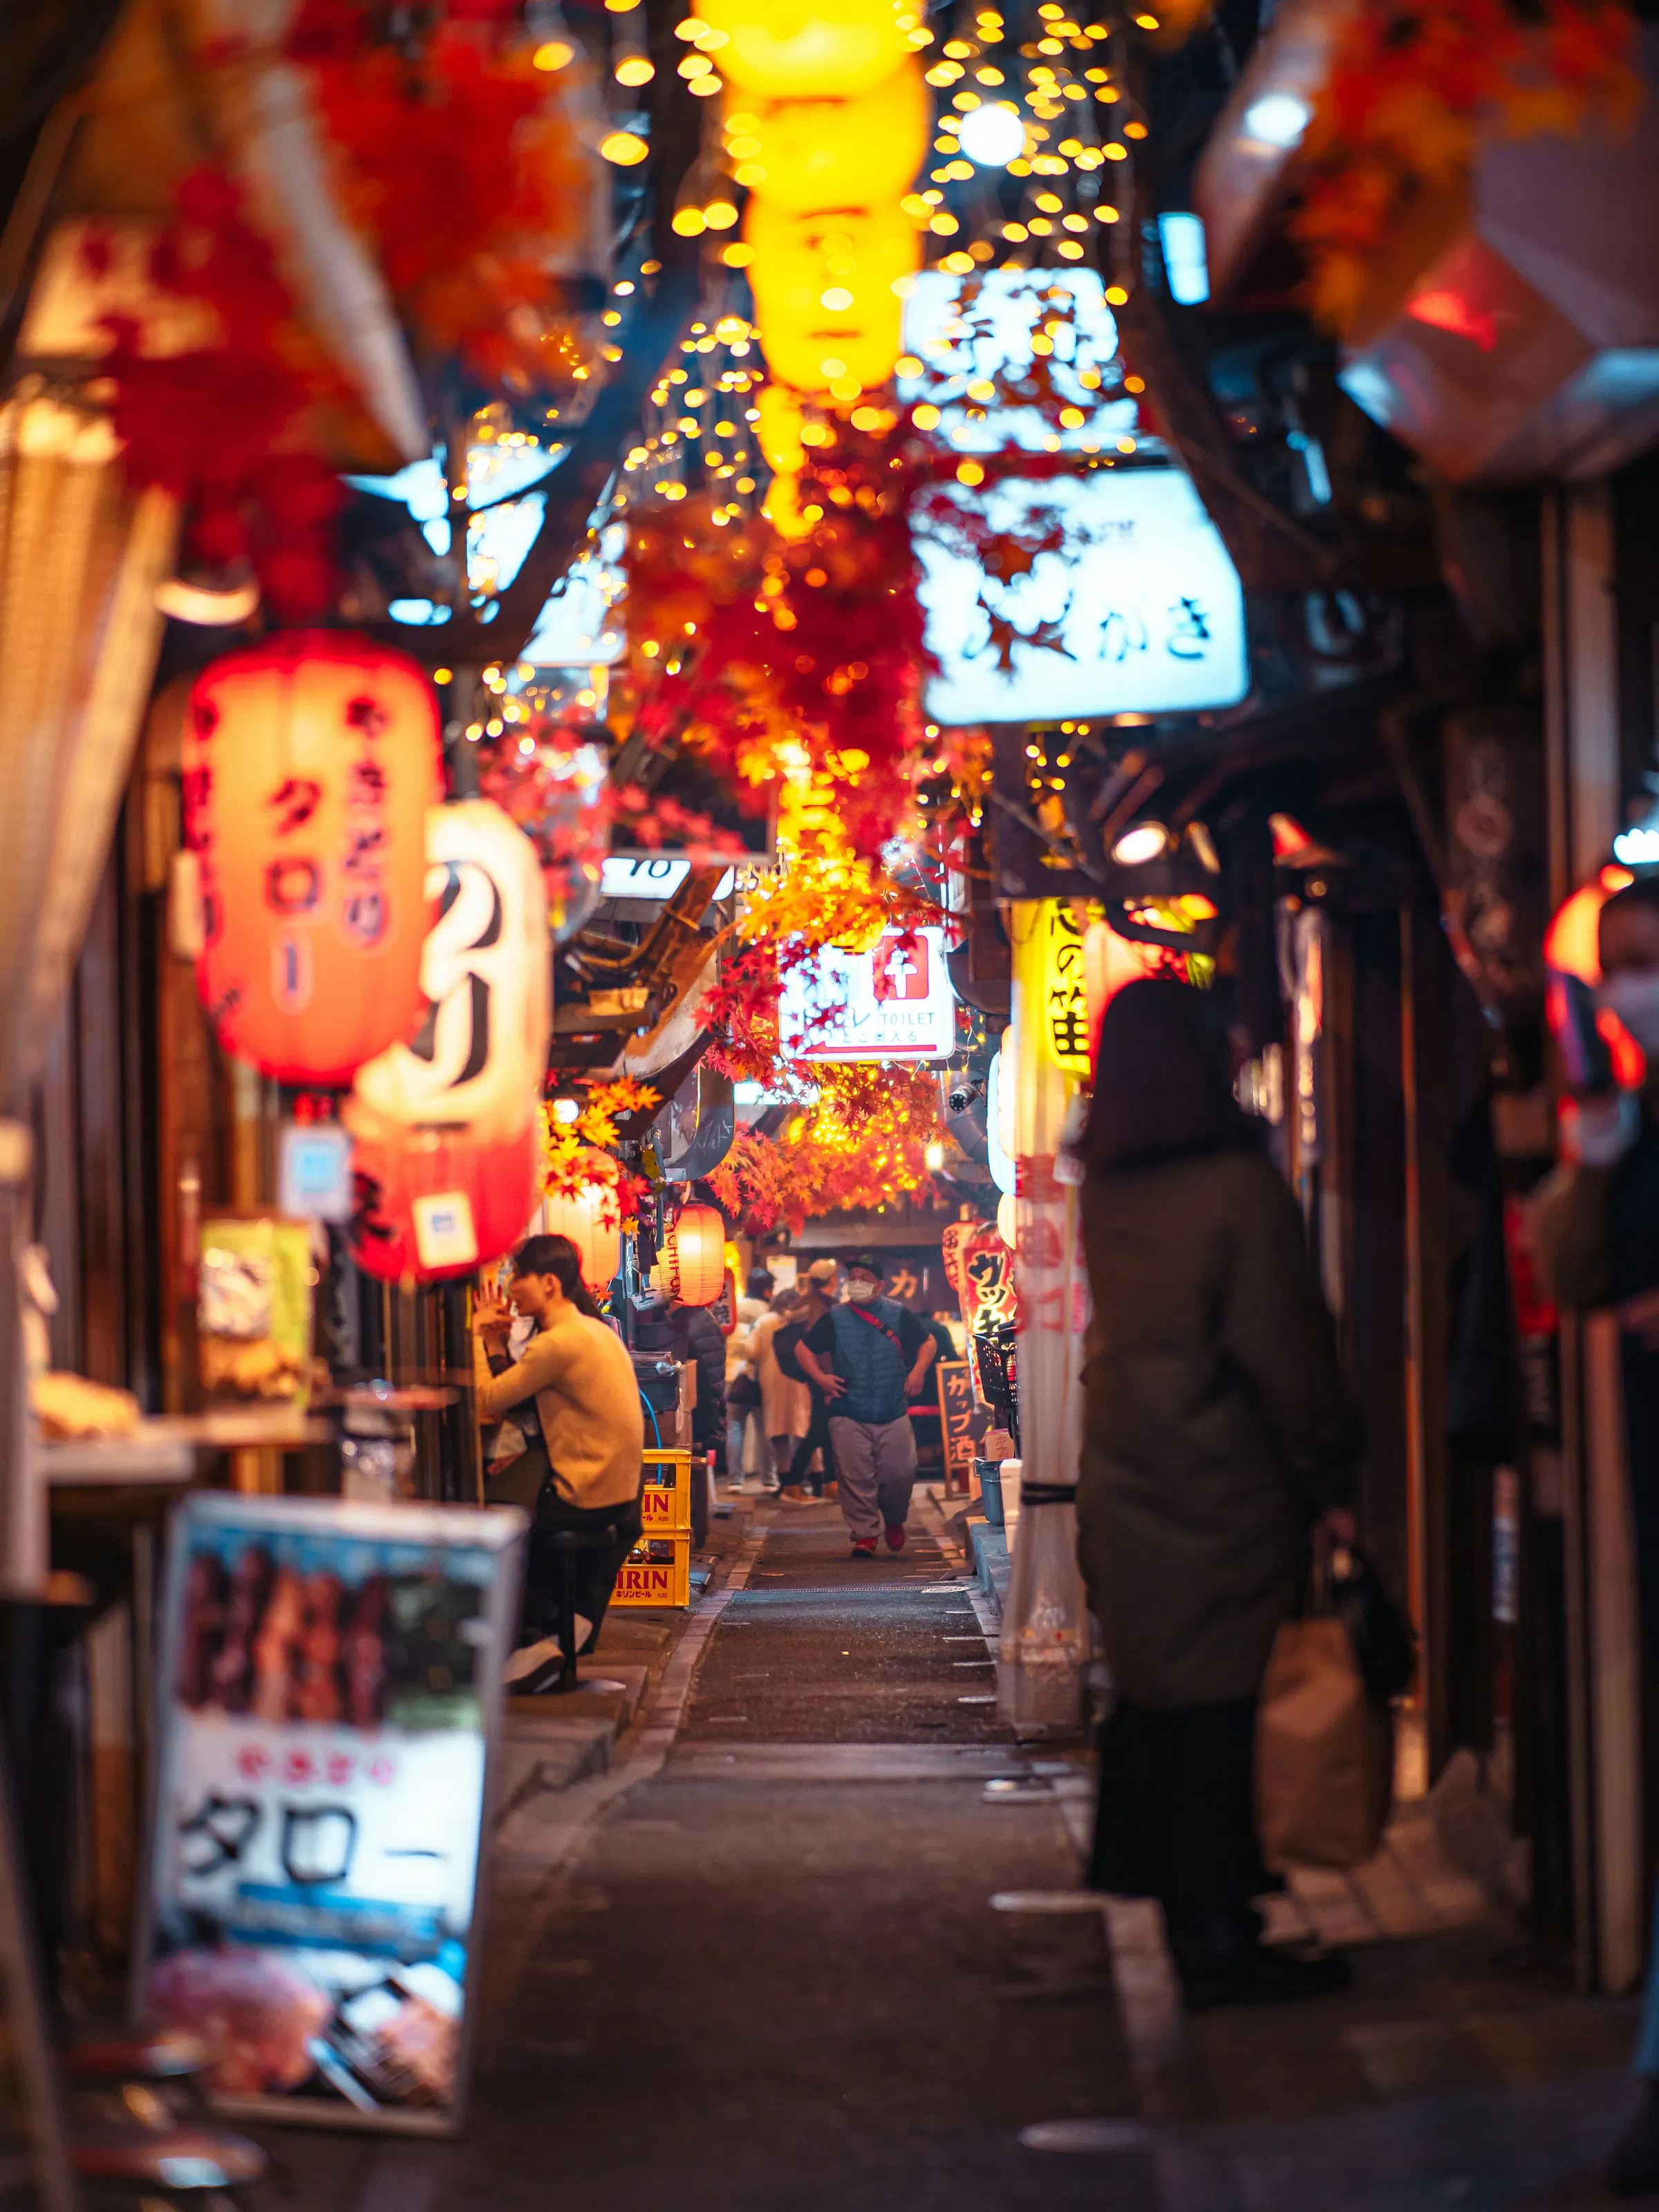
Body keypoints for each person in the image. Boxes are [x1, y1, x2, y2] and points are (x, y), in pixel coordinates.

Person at [1075, 977, 1359, 2011]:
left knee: (1161, 1702)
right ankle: (1219, 1927)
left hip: (1130, 1479)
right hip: (1225, 1484)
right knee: (1223, 1711)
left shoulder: (1109, 1188)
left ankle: (1191, 1918)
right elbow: (1284, 1348)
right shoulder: (1238, 1191)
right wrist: (1330, 1474)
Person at [1533, 875, 1659, 2193]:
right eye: (1623, 964)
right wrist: (1594, 1130)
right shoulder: (1622, 1108)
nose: (1637, 987)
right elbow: (1576, 1270)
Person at [474, 1235, 644, 1689]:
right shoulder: (595, 1331)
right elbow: (521, 1392)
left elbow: (486, 1400)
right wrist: (496, 1344)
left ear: (549, 1283)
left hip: (583, 1496)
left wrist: (475, 1333)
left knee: (499, 1532)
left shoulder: (559, 1344)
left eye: (517, 1275)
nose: (509, 1286)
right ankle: (559, 1636)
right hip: (622, 1496)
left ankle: (538, 1641)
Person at [798, 1252, 937, 1558]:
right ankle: (865, 1534)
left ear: (880, 1285)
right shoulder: (835, 1317)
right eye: (853, 1278)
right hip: (848, 1410)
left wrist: (917, 1372)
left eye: (865, 1278)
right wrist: (821, 1379)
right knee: (854, 1476)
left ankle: (895, 1518)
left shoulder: (898, 1314)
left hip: (893, 1408)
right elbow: (803, 1349)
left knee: (900, 1472)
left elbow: (928, 1343)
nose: (857, 1283)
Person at [779, 1258, 841, 1499]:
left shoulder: (806, 1302)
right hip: (822, 1375)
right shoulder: (819, 1307)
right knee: (818, 1429)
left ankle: (831, 1482)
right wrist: (825, 1379)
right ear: (831, 1280)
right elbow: (819, 1347)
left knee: (826, 1428)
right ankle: (793, 1482)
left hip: (816, 1374)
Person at [748, 1286, 813, 1498]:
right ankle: (815, 1478)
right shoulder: (806, 1322)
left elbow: (752, 1351)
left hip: (773, 1382)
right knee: (808, 1431)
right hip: (804, 1381)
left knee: (779, 1432)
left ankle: (785, 1481)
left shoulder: (765, 1322)